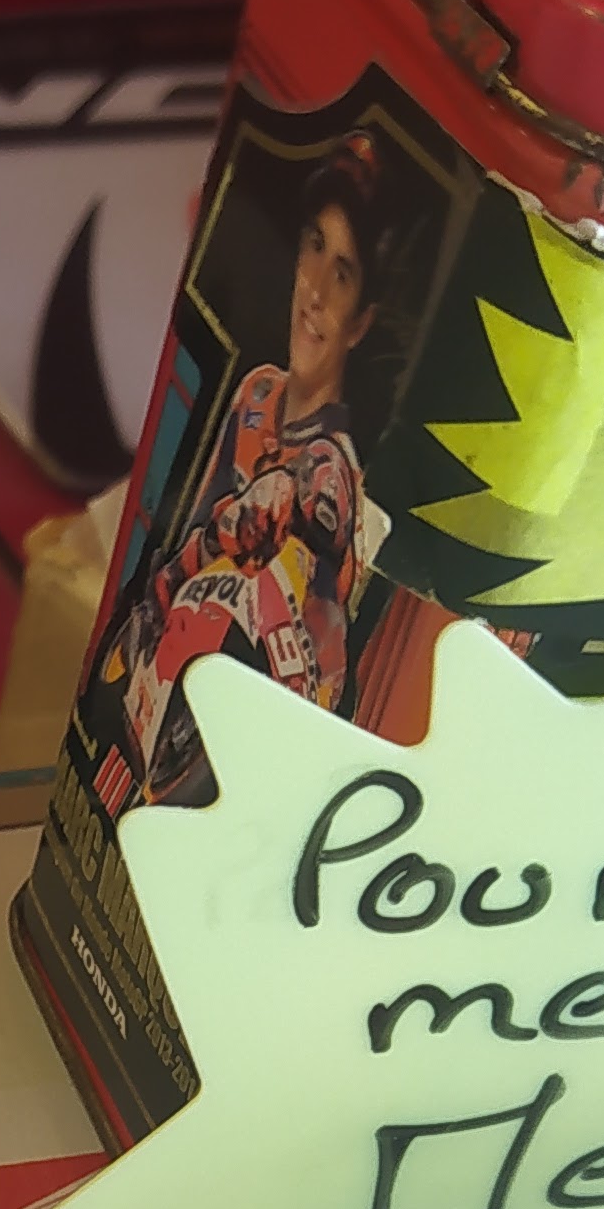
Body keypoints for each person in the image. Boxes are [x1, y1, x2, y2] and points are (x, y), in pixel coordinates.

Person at [93, 133, 385, 807]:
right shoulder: (255, 395)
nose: (315, 292)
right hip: (190, 660)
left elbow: (312, 549)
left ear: (360, 321)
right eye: (314, 248)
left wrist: (277, 513)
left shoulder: (333, 466)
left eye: (342, 274)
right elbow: (196, 526)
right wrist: (158, 598)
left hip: (285, 700)